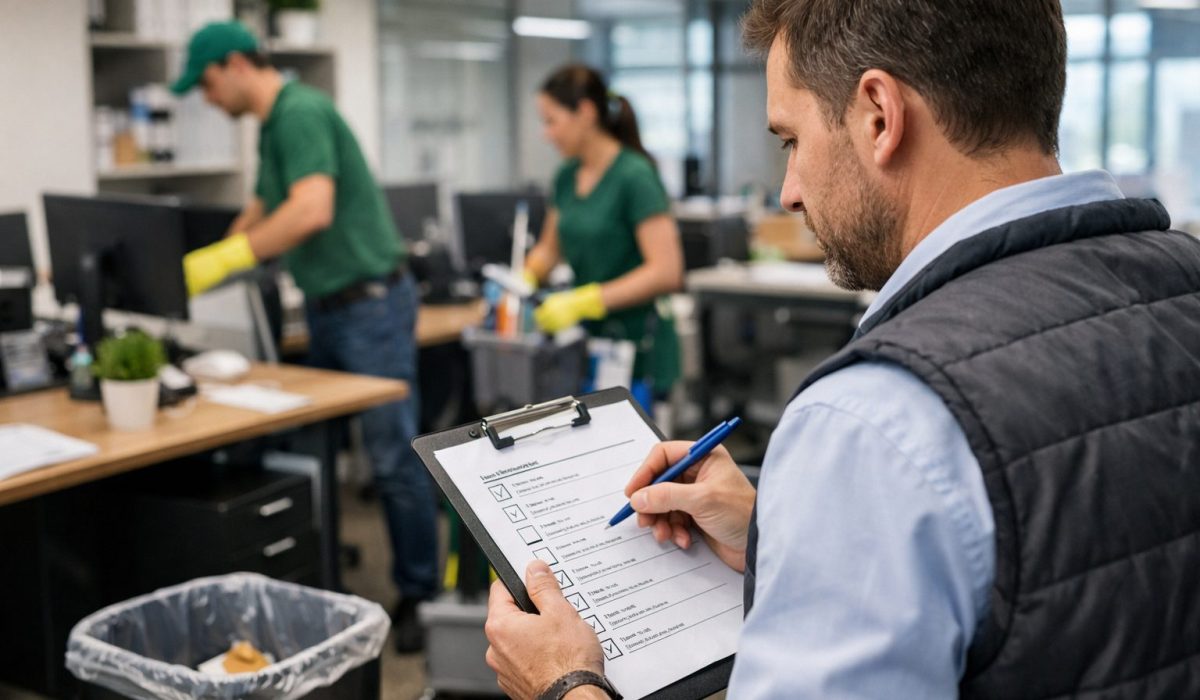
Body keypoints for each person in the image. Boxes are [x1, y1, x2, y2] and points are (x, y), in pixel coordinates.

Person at [484, 1, 1200, 698]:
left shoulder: (872, 422)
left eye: (791, 140)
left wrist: (566, 687)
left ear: (879, 116)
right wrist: (781, 535)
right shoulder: (1182, 284)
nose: (789, 192)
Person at [172, 21, 438, 653]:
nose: (207, 99)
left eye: (208, 84)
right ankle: (314, 587)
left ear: (237, 64)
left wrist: (227, 259)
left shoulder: (299, 112)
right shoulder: (272, 127)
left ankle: (421, 597)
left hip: (369, 307)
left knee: (393, 456)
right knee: (311, 447)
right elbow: (264, 210)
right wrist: (205, 265)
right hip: (328, 308)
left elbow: (310, 209)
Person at [524, 65, 685, 404]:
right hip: (590, 348)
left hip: (639, 349)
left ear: (584, 112)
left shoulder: (634, 176)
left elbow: (667, 271)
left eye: (551, 121)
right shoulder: (567, 176)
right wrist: (523, 278)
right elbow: (550, 250)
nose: (546, 133)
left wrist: (587, 300)